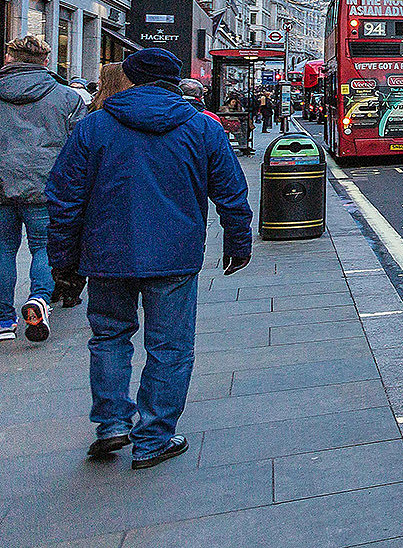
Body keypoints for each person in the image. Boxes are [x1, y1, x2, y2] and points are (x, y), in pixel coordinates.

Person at [47, 48, 251, 469]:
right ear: (176, 81)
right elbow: (231, 190)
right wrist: (238, 241)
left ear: (130, 77)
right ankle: (154, 438)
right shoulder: (201, 127)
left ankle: (111, 425)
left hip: (107, 253)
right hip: (175, 254)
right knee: (170, 347)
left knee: (108, 338)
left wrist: (62, 260)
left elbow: (64, 198)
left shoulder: (94, 126)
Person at [0, 35, 87, 343]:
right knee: (42, 247)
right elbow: (79, 149)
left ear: (9, 57)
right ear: (46, 62)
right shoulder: (68, 97)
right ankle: (39, 300)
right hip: (45, 185)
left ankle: (2, 320)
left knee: (3, 249)